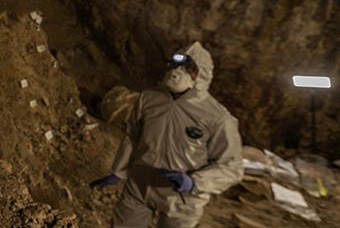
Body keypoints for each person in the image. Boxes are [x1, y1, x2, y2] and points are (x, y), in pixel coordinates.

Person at [90, 41, 243, 228]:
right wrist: (119, 171)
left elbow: (232, 167)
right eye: (175, 64)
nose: (177, 72)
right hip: (139, 186)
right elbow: (133, 136)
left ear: (201, 74)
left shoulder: (218, 118)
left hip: (181, 199)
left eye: (188, 68)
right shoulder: (149, 98)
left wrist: (194, 182)